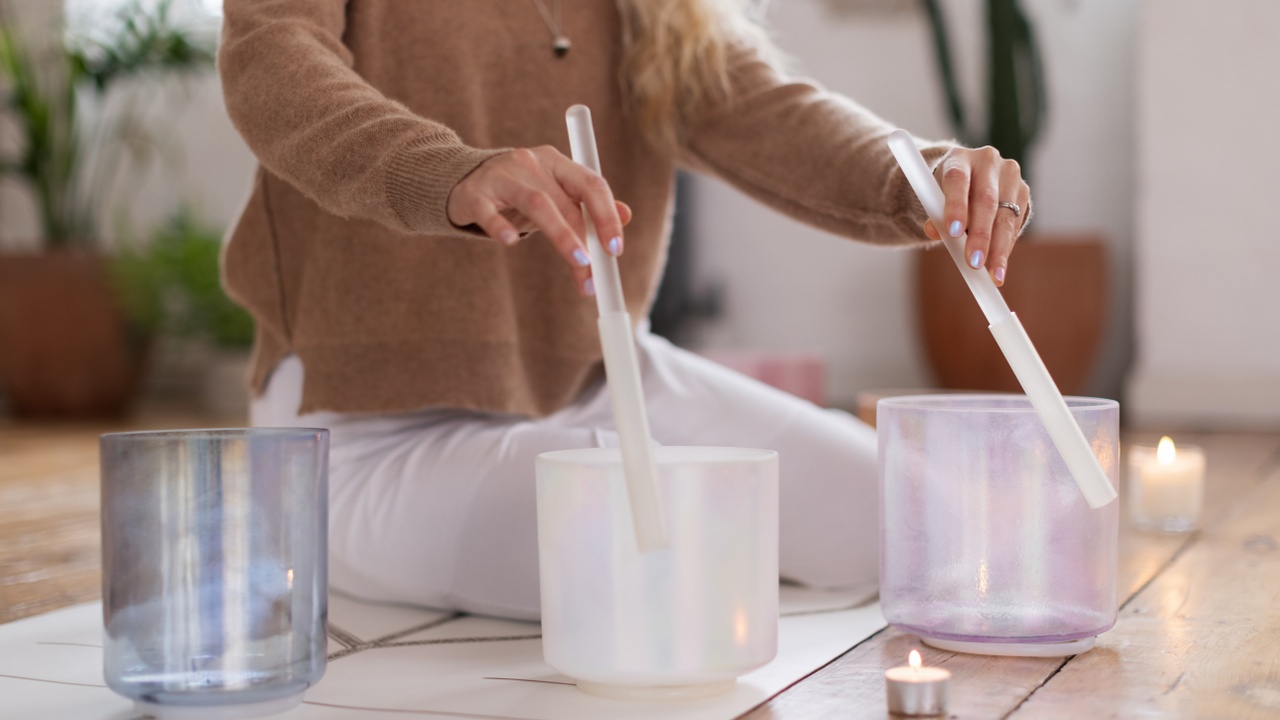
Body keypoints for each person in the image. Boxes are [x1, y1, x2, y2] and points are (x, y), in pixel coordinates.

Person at [219, 0, 1030, 621]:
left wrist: (927, 178)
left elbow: (765, 107)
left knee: (924, 520)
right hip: (366, 424)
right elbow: (272, 60)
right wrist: (449, 173)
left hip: (603, 377)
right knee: (648, 551)